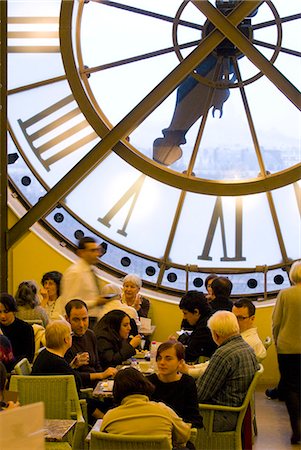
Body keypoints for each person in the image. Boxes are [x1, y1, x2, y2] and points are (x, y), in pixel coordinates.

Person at [196, 310, 258, 432]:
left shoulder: (223, 354)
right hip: (237, 413)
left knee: (173, 411)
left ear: (216, 334)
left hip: (217, 415)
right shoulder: (247, 348)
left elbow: (200, 394)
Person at [100, 367, 191, 449]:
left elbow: (102, 443)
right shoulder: (163, 410)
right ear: (145, 384)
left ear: (116, 391)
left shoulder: (110, 417)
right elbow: (184, 436)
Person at [32, 320, 105, 423]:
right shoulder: (59, 363)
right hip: (63, 407)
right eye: (71, 334)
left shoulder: (44, 355)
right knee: (104, 406)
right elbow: (76, 385)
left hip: (47, 403)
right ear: (66, 340)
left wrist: (72, 366)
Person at [272, 261, 301, 445]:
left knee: (291, 387)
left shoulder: (285, 294)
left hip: (287, 347)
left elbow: (276, 321)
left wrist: (276, 341)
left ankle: (296, 428)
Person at [147, 340, 202, 429]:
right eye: (159, 358)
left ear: (180, 362)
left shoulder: (187, 383)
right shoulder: (149, 382)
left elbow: (195, 419)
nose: (162, 362)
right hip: (153, 432)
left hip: (179, 433)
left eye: (168, 359)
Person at [64, 299, 117, 388]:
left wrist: (103, 381)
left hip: (97, 385)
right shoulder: (65, 340)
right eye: (76, 320)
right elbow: (71, 376)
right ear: (67, 319)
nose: (81, 325)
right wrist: (101, 375)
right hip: (80, 388)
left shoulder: (90, 335)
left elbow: (97, 365)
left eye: (84, 319)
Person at [57, 237, 110, 323]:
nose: (97, 253)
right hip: (81, 321)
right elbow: (69, 303)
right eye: (92, 250)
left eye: (97, 250)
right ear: (81, 253)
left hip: (93, 319)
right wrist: (95, 302)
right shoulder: (75, 272)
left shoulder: (92, 270)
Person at [177, 291, 217, 362]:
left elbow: (190, 355)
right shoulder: (210, 316)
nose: (184, 317)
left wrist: (175, 347)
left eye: (185, 313)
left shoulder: (205, 327)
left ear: (196, 312)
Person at [0, 293, 35, 365]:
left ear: (14, 311)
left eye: (6, 312)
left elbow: (28, 357)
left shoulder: (26, 329)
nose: (2, 316)